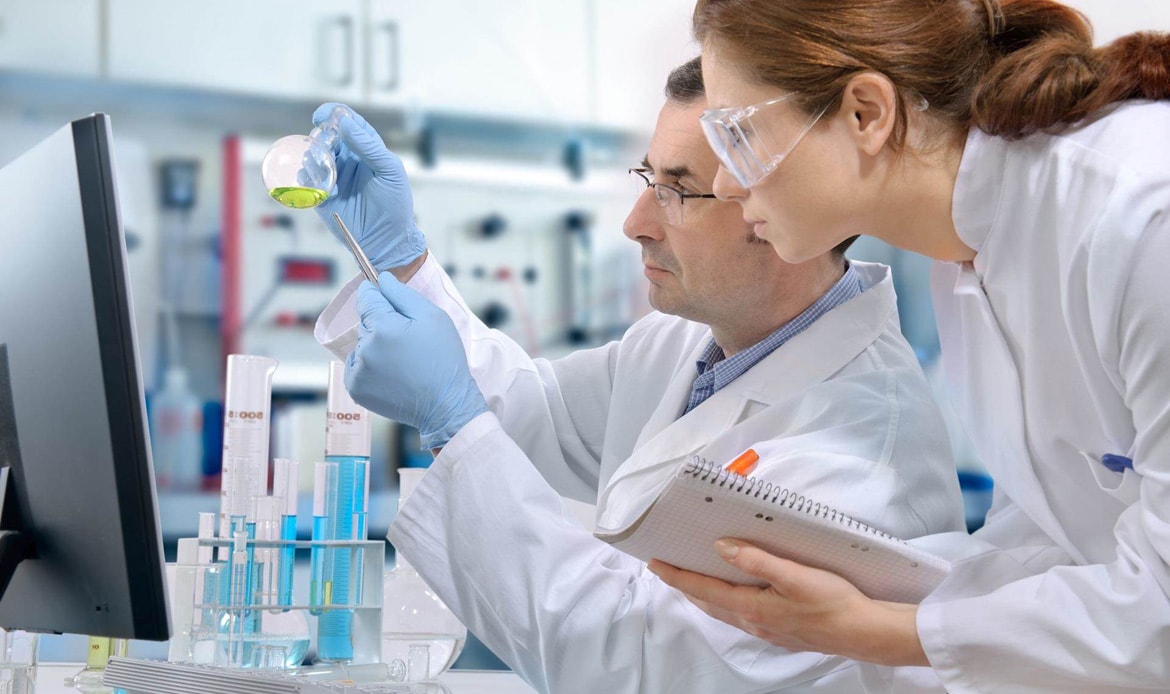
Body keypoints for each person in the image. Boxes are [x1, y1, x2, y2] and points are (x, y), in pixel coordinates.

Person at [313, 58, 963, 692]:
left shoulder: (858, 467)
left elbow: (631, 665)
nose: (636, 224)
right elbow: (536, 418)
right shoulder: (684, 342)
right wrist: (398, 263)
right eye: (647, 178)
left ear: (789, 208)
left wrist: (452, 421)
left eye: (677, 192)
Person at [648, 1, 1170, 691]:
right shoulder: (969, 255)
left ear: (866, 113)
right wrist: (860, 587)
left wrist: (875, 630)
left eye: (738, 135)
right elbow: (1058, 537)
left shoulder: (1142, 215)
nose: (723, 182)